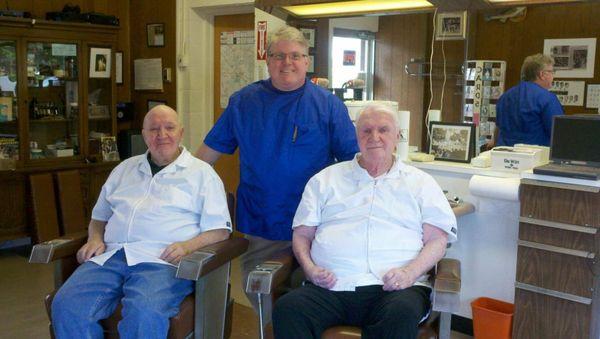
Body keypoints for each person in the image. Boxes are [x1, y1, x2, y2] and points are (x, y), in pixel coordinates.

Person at [196, 26, 358, 311]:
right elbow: (204, 158)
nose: (287, 62)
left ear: (307, 62)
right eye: (279, 56)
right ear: (267, 60)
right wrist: (176, 187)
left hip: (317, 223)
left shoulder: (329, 106)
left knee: (314, 295)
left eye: (295, 56)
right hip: (264, 220)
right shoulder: (243, 102)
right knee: (259, 291)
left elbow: (353, 165)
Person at [272, 104, 457, 339]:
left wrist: (409, 273)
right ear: (356, 135)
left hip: (397, 289)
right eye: (366, 130)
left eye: (383, 130)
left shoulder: (421, 183)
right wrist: (310, 269)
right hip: (332, 287)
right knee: (289, 309)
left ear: (397, 136)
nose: (375, 137)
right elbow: (302, 235)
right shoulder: (325, 180)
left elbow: (437, 241)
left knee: (400, 314)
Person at [51, 105, 232, 338]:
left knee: (143, 312)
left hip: (162, 260)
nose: (162, 135)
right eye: (154, 129)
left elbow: (220, 231)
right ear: (144, 134)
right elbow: (100, 216)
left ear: (181, 133)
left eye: (169, 128)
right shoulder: (124, 168)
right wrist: (95, 238)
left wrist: (187, 247)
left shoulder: (202, 173)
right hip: (112, 256)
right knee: (66, 305)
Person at [493, 54, 563, 147]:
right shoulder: (547, 98)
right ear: (542, 74)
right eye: (551, 72)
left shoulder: (505, 97)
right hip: (535, 158)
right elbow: (559, 133)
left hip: (504, 155)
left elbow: (498, 129)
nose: (553, 76)